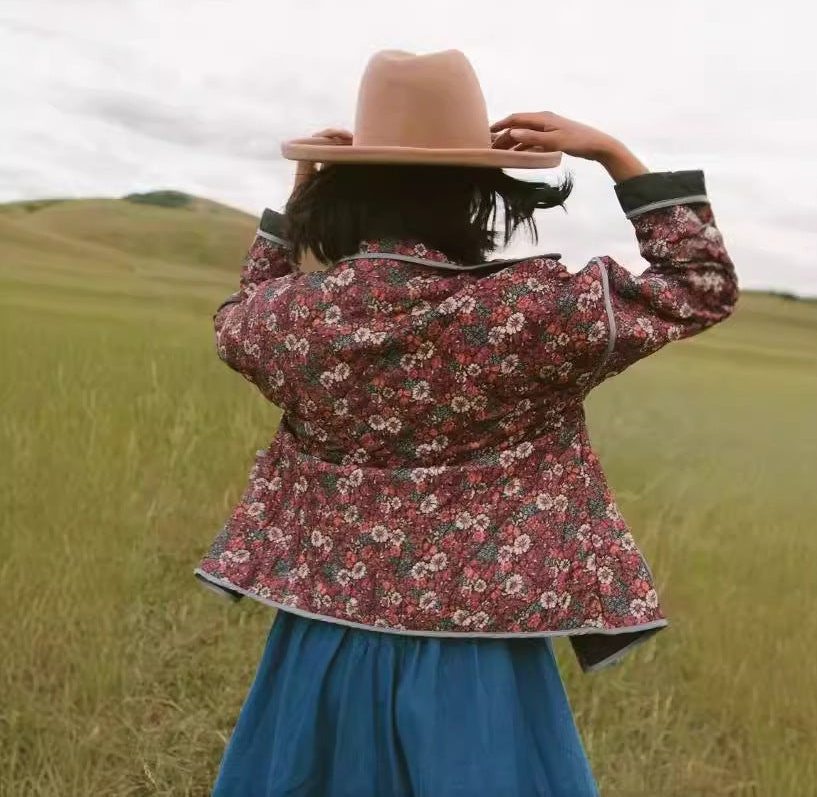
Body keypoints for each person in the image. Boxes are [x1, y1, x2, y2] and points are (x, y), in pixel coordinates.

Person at [194, 50, 738, 796]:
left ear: (340, 194)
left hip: (320, 636)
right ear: (482, 195)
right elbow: (699, 287)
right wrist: (614, 154)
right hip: (480, 652)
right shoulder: (528, 312)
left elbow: (238, 321)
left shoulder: (294, 319)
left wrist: (292, 215)